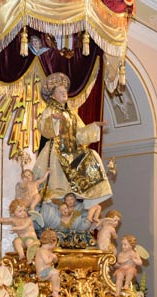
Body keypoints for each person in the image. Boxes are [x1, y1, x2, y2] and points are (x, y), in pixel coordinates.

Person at [33, 72, 112, 219]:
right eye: (61, 92)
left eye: (65, 92)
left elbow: (80, 134)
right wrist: (54, 120)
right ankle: (57, 199)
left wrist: (95, 126)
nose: (64, 94)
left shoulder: (72, 114)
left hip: (72, 150)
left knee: (91, 155)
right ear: (53, 95)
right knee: (57, 164)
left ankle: (88, 198)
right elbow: (44, 128)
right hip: (57, 149)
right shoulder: (50, 110)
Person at [33, 228, 61, 297]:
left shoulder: (47, 251)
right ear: (52, 242)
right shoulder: (42, 251)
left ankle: (56, 291)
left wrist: (55, 258)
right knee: (55, 272)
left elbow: (55, 262)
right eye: (55, 243)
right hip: (42, 274)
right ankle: (55, 292)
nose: (55, 246)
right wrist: (52, 257)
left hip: (47, 272)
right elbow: (46, 261)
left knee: (57, 277)